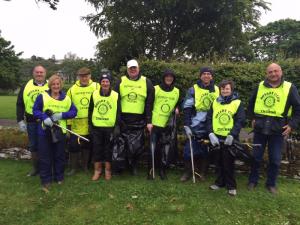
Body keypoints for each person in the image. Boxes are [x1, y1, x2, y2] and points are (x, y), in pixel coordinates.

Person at [247, 63, 300, 194]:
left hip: (278, 130)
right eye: (270, 72)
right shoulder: (260, 86)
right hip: (260, 128)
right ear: (267, 74)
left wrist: (292, 125)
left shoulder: (289, 87)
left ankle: (271, 184)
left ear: (281, 72)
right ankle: (252, 181)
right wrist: (252, 118)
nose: (273, 74)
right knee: (256, 157)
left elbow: (298, 109)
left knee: (275, 160)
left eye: (276, 71)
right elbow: (251, 103)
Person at [33, 74, 77, 191]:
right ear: (50, 85)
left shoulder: (66, 98)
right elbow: (35, 110)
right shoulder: (42, 96)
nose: (56, 86)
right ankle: (46, 180)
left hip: (60, 131)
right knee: (45, 157)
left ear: (61, 85)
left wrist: (63, 115)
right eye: (53, 84)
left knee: (59, 156)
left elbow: (74, 112)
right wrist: (43, 117)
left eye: (58, 84)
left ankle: (59, 177)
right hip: (44, 131)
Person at [114, 59, 154, 175]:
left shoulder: (146, 82)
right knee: (122, 144)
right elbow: (115, 100)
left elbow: (149, 103)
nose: (133, 70)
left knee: (137, 146)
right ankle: (122, 166)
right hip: (123, 119)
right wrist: (117, 119)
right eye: (130, 68)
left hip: (139, 120)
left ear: (138, 68)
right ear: (127, 69)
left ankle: (134, 166)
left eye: (134, 68)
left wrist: (148, 121)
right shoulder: (120, 81)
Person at [206, 80, 245, 196]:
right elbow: (209, 119)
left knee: (228, 163)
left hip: (230, 138)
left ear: (231, 90)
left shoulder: (237, 103)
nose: (224, 91)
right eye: (222, 89)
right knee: (218, 162)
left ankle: (231, 186)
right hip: (217, 137)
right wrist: (210, 133)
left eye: (227, 89)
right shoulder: (215, 102)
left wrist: (232, 134)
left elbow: (240, 120)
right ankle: (219, 183)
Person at [180, 67, 219, 182]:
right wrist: (187, 124)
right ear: (200, 76)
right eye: (204, 74)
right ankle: (188, 172)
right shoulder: (193, 89)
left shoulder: (217, 89)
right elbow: (187, 108)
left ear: (211, 76)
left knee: (205, 151)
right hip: (195, 124)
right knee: (189, 150)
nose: (206, 76)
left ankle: (202, 173)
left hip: (211, 124)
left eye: (208, 74)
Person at [66, 67, 99, 175]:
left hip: (91, 122)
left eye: (86, 76)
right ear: (78, 77)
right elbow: (67, 107)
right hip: (76, 123)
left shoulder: (96, 86)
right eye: (82, 76)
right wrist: (68, 125)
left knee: (87, 146)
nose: (84, 78)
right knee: (74, 146)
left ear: (90, 76)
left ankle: (85, 166)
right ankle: (73, 168)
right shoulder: (72, 89)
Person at [16, 65, 48, 176]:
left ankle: (46, 168)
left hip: (46, 122)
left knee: (46, 145)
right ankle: (35, 168)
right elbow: (20, 104)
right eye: (37, 72)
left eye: (41, 72)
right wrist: (20, 120)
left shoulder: (51, 85)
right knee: (33, 145)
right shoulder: (26, 86)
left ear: (45, 73)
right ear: (33, 73)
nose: (39, 74)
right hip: (31, 122)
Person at [148, 69, 180, 180]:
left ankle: (162, 170)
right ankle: (151, 170)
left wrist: (177, 108)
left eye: (171, 77)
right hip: (155, 123)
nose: (169, 78)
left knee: (164, 149)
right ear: (163, 77)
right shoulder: (155, 89)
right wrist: (148, 121)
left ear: (173, 78)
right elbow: (149, 105)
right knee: (153, 148)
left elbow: (178, 104)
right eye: (167, 76)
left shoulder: (177, 91)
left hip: (168, 125)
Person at [88, 73, 120, 181]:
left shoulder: (115, 95)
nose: (105, 83)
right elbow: (90, 110)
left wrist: (117, 126)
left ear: (110, 83)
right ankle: (97, 171)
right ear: (100, 83)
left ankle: (107, 170)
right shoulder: (94, 94)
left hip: (110, 127)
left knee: (108, 149)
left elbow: (118, 112)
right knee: (97, 148)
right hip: (97, 126)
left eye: (107, 81)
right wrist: (90, 125)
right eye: (103, 81)